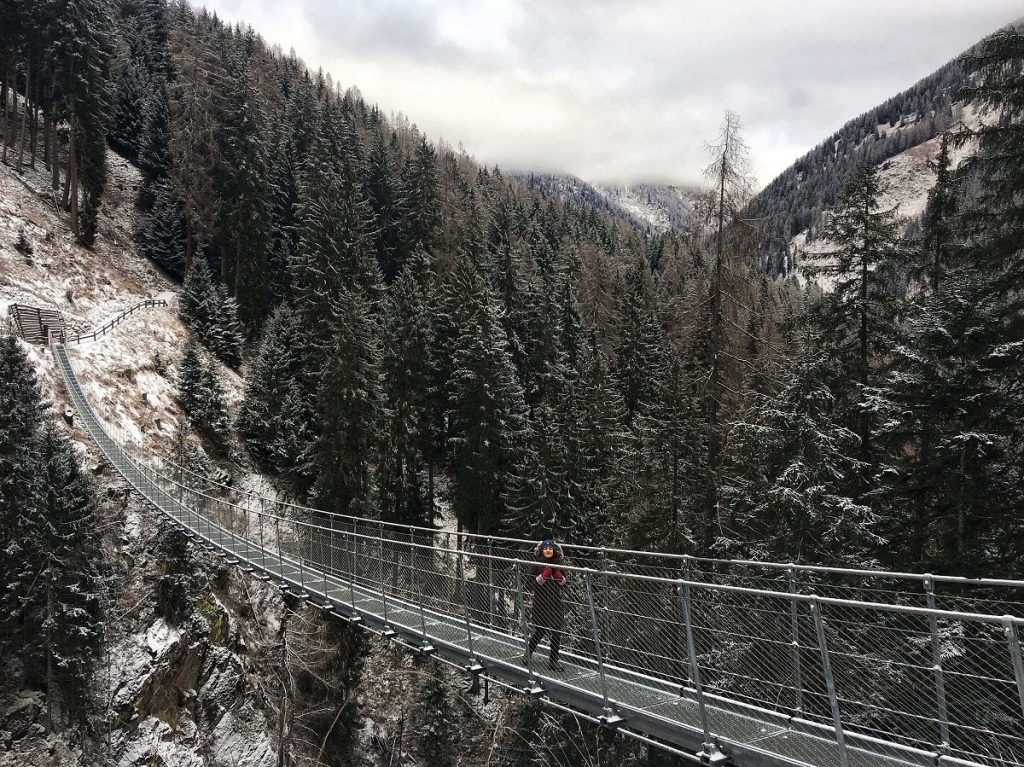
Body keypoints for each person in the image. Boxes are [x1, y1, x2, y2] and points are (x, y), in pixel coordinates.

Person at [522, 538, 567, 671]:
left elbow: (566, 584)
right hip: (541, 604)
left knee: (557, 631)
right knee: (540, 631)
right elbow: (528, 585)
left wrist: (560, 578)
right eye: (546, 548)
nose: (548, 550)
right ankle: (527, 654)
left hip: (556, 603)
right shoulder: (536, 565)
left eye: (550, 549)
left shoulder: (559, 564)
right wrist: (542, 577)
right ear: (541, 551)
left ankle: (553, 661)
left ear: (554, 551)